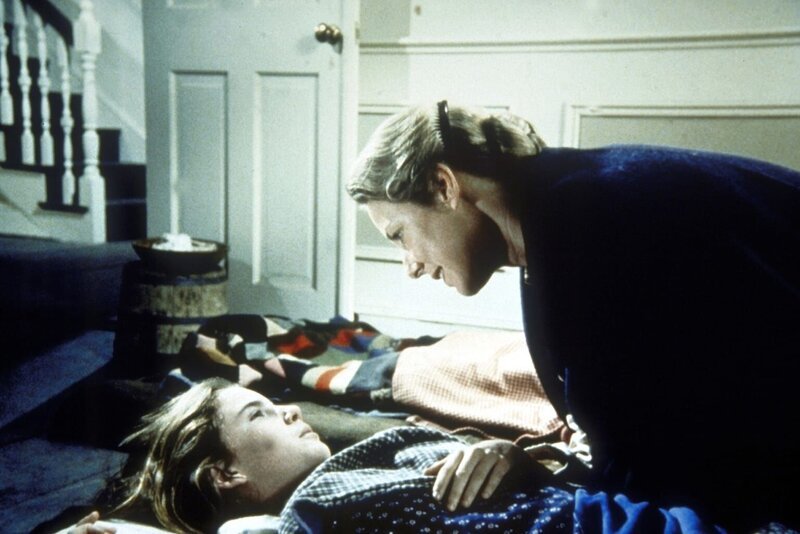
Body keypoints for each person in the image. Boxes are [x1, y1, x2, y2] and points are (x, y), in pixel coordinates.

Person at [346, 101, 800, 530]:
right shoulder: (549, 218)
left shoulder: (587, 217)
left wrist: (541, 473)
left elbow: (662, 452)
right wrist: (534, 460)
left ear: (444, 186)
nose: (410, 266)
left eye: (399, 235)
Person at [68, 378, 726, 534]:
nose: (290, 410)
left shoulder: (361, 460)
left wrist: (513, 454)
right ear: (226, 473)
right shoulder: (298, 519)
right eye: (260, 413)